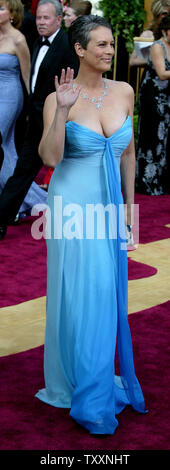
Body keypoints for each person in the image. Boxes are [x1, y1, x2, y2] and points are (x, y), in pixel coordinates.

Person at [35, 15, 146, 436]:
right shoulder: (58, 98)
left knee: (105, 292)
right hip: (71, 207)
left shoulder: (124, 91)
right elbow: (49, 159)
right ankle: (91, 393)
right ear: (79, 50)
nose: (109, 51)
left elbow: (129, 155)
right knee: (85, 294)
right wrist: (61, 111)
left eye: (111, 45)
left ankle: (91, 377)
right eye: (100, 45)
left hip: (109, 205)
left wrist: (130, 211)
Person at [0, 0, 79, 240]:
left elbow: (71, 84)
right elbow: (30, 79)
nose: (41, 22)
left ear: (58, 19)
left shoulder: (67, 47)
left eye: (46, 18)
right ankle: (2, 218)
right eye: (38, 18)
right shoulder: (36, 41)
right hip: (35, 116)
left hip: (58, 117)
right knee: (24, 169)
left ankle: (76, 217)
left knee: (67, 169)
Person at [41, 0, 93, 190]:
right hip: (58, 95)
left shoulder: (76, 46)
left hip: (73, 93)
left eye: (69, 15)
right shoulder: (62, 40)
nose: (66, 19)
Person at [136, 14, 170, 195]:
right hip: (153, 97)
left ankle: (164, 182)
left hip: (167, 97)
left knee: (165, 138)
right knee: (153, 137)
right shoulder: (158, 46)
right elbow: (163, 73)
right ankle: (148, 183)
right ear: (165, 31)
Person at [0, 0, 31, 193]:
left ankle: (13, 196)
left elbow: (28, 76)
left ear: (12, 14)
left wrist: (31, 107)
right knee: (6, 146)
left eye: (1, 8)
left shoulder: (18, 39)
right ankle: (14, 196)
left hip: (10, 95)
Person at [129, 0, 170, 67]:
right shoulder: (149, 34)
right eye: (164, 14)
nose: (167, 17)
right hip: (153, 76)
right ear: (157, 15)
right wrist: (157, 59)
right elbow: (133, 61)